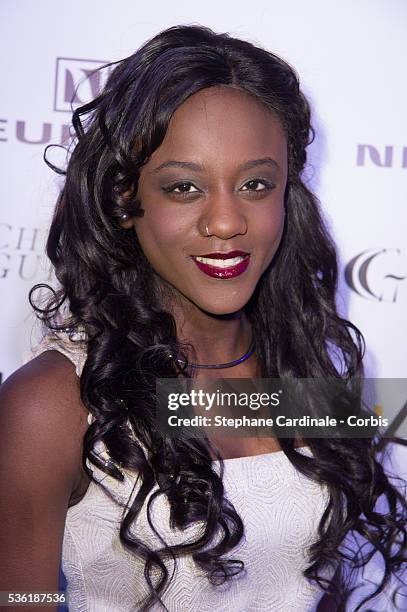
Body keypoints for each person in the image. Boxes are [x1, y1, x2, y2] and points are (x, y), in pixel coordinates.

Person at [0, 24, 405, 612]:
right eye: (184, 187)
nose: (225, 222)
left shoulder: (305, 370)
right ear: (123, 201)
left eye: (255, 184)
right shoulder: (53, 403)